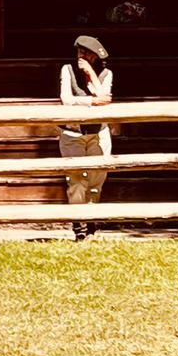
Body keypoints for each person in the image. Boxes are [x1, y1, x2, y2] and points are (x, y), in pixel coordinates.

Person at [58, 35, 113, 241]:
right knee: (76, 180)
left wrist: (91, 74)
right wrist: (92, 101)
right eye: (79, 52)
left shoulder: (106, 73)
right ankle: (78, 226)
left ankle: (92, 222)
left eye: (86, 54)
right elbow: (67, 100)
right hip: (73, 133)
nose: (81, 57)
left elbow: (105, 98)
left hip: (98, 133)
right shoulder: (67, 70)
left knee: (96, 179)